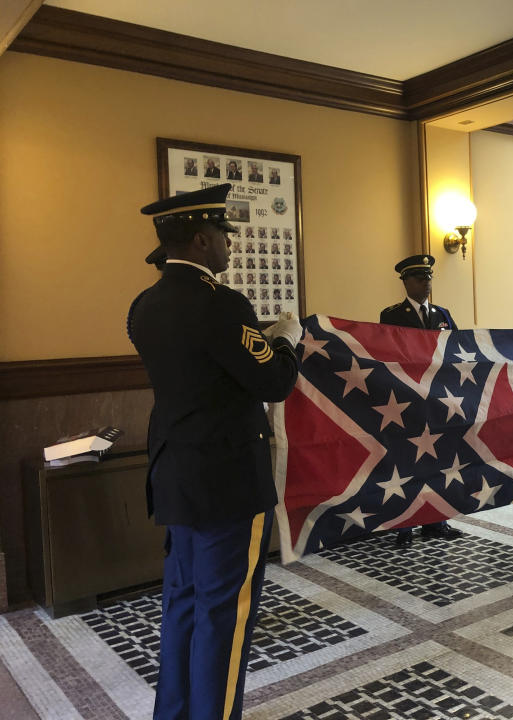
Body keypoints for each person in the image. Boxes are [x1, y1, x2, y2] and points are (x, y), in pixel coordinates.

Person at [127, 183, 303, 720]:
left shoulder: (144, 305)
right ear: (202, 240)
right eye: (224, 235)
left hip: (175, 476)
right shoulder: (223, 304)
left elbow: (204, 370)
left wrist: (255, 341)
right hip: (228, 482)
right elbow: (273, 381)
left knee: (182, 603)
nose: (230, 244)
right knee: (224, 612)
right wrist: (286, 341)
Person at [380, 254, 462, 548]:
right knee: (407, 460)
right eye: (419, 278)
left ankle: (435, 521)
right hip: (408, 399)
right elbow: (389, 356)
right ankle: (405, 526)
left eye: (428, 278)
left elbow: (455, 350)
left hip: (438, 397)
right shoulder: (391, 315)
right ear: (405, 282)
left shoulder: (443, 314)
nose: (426, 283)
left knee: (438, 458)